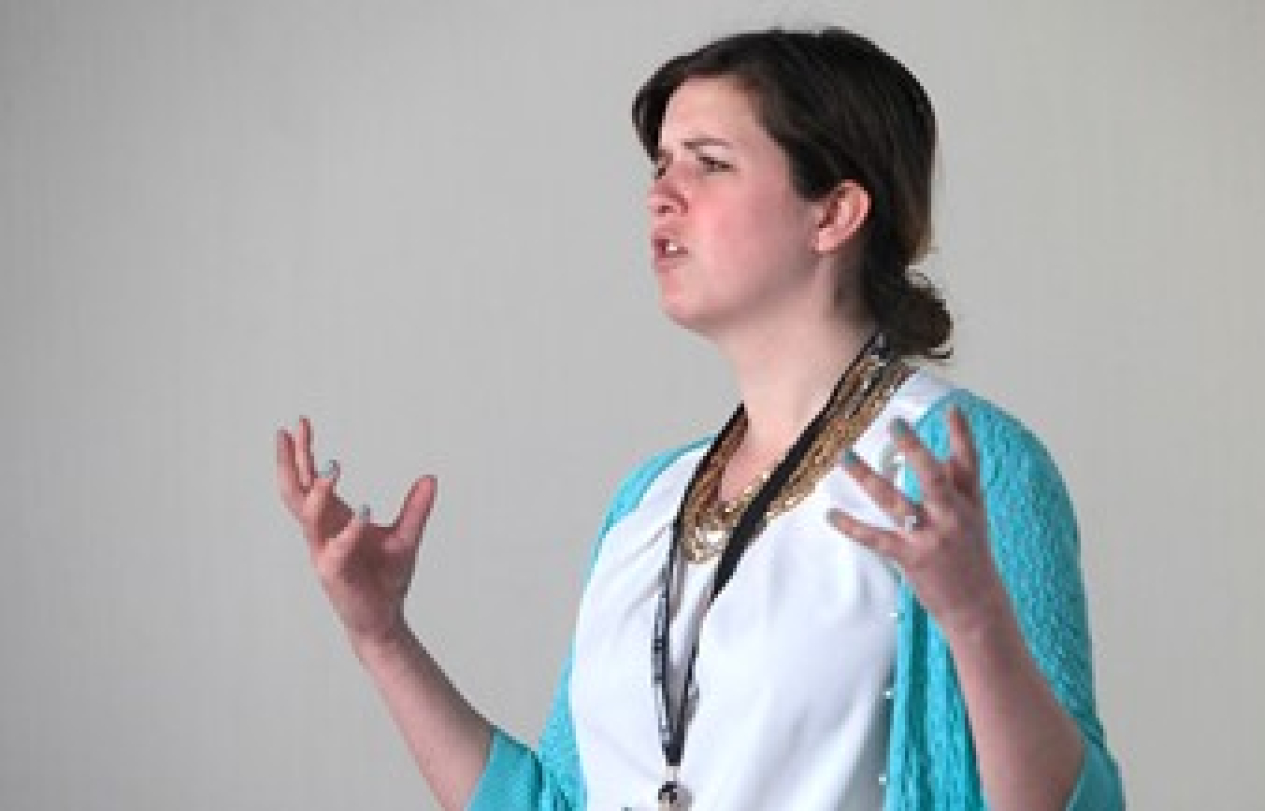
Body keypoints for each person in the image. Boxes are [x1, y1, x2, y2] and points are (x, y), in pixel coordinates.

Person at [276, 27, 1124, 810]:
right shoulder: (651, 498)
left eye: (709, 162)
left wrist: (975, 616)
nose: (660, 196)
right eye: (659, 164)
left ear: (833, 212)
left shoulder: (960, 463)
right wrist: (382, 637)